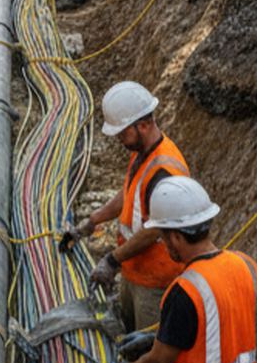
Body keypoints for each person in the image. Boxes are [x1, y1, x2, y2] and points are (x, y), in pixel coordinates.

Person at [99, 176, 257, 363]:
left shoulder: (185, 290)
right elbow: (217, 326)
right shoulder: (246, 266)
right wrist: (160, 336)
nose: (163, 245)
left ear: (175, 236)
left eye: (163, 238)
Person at [61, 81, 189, 332]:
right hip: (134, 271)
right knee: (127, 333)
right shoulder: (142, 152)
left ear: (143, 125)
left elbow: (153, 231)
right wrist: (91, 223)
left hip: (155, 281)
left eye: (122, 133)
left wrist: (111, 260)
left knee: (145, 345)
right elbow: (129, 192)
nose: (120, 140)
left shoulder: (165, 171)